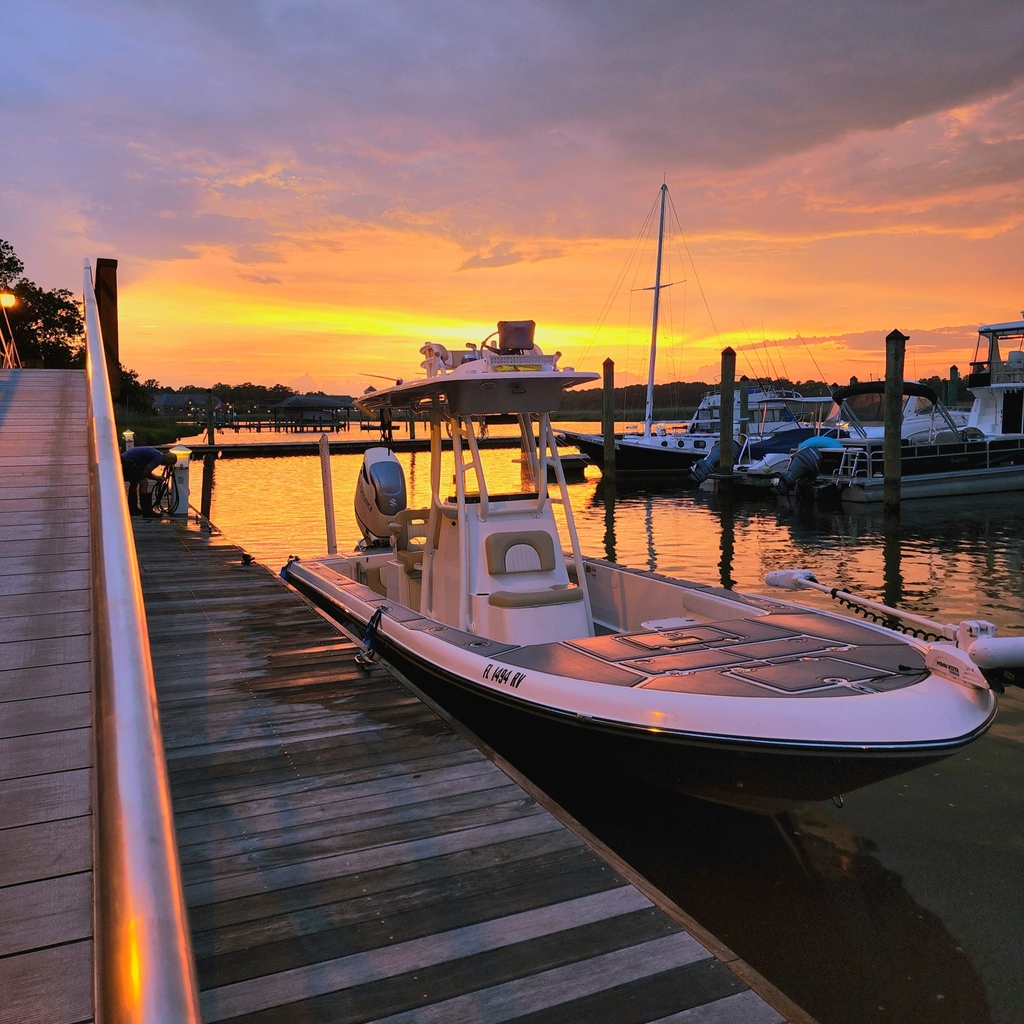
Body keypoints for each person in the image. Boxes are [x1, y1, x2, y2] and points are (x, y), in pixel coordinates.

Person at [121, 447, 176, 518]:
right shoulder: (158, 458)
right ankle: (147, 511)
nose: (167, 465)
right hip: (129, 462)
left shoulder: (157, 453)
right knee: (144, 483)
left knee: (134, 482)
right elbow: (146, 472)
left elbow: (144, 471)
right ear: (168, 459)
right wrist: (157, 478)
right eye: (169, 463)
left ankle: (133, 509)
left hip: (124, 459)